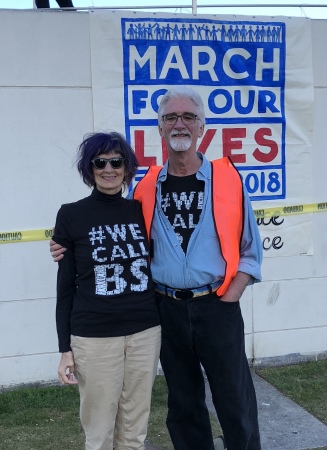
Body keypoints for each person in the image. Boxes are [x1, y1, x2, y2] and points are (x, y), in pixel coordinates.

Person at [51, 86, 263, 450]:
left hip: (217, 306)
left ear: (202, 127)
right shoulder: (145, 188)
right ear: (160, 128)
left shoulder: (228, 179)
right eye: (170, 118)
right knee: (183, 404)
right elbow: (113, 235)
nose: (179, 124)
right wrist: (64, 246)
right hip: (166, 310)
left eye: (188, 117)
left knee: (235, 400)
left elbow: (251, 250)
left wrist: (230, 296)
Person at [53, 131, 161, 450]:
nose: (108, 168)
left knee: (134, 429)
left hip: (145, 332)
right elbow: (65, 289)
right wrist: (64, 349)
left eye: (116, 161)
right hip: (94, 336)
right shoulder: (71, 215)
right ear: (90, 168)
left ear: (127, 167)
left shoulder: (143, 211)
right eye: (100, 162)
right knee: (99, 431)